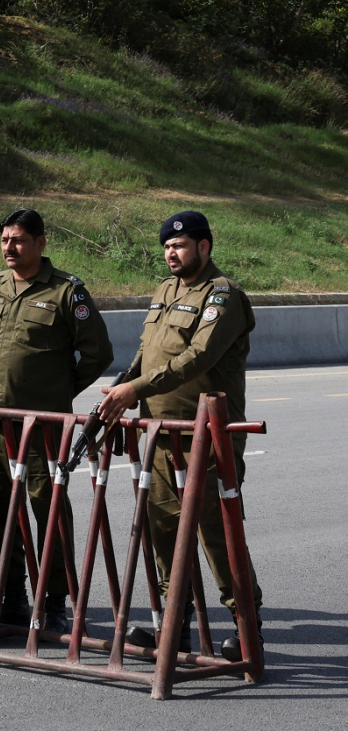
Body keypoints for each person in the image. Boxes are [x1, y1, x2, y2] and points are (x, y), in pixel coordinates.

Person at [96, 210, 262, 661]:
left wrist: (136, 388)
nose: (172, 252)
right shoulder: (166, 290)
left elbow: (198, 356)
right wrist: (121, 385)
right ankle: (176, 623)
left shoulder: (223, 296)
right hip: (161, 431)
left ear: (204, 247)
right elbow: (147, 351)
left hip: (206, 435)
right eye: (168, 246)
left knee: (215, 530)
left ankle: (247, 626)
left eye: (181, 245)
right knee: (164, 526)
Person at [0, 208, 113, 633]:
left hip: (43, 425)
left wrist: (57, 391)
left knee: (46, 506)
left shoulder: (66, 291)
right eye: (4, 241)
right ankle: (11, 594)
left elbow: (97, 353)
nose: (9, 248)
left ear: (40, 243)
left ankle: (55, 598)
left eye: (17, 240)